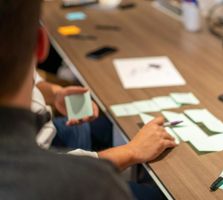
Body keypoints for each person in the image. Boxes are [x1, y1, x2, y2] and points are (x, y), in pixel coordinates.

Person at [0, 1, 174, 199]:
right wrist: (132, 151)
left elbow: (27, 77)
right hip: (56, 171)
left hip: (44, 134)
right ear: (41, 45)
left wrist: (55, 93)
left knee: (112, 126)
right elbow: (62, 172)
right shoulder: (94, 183)